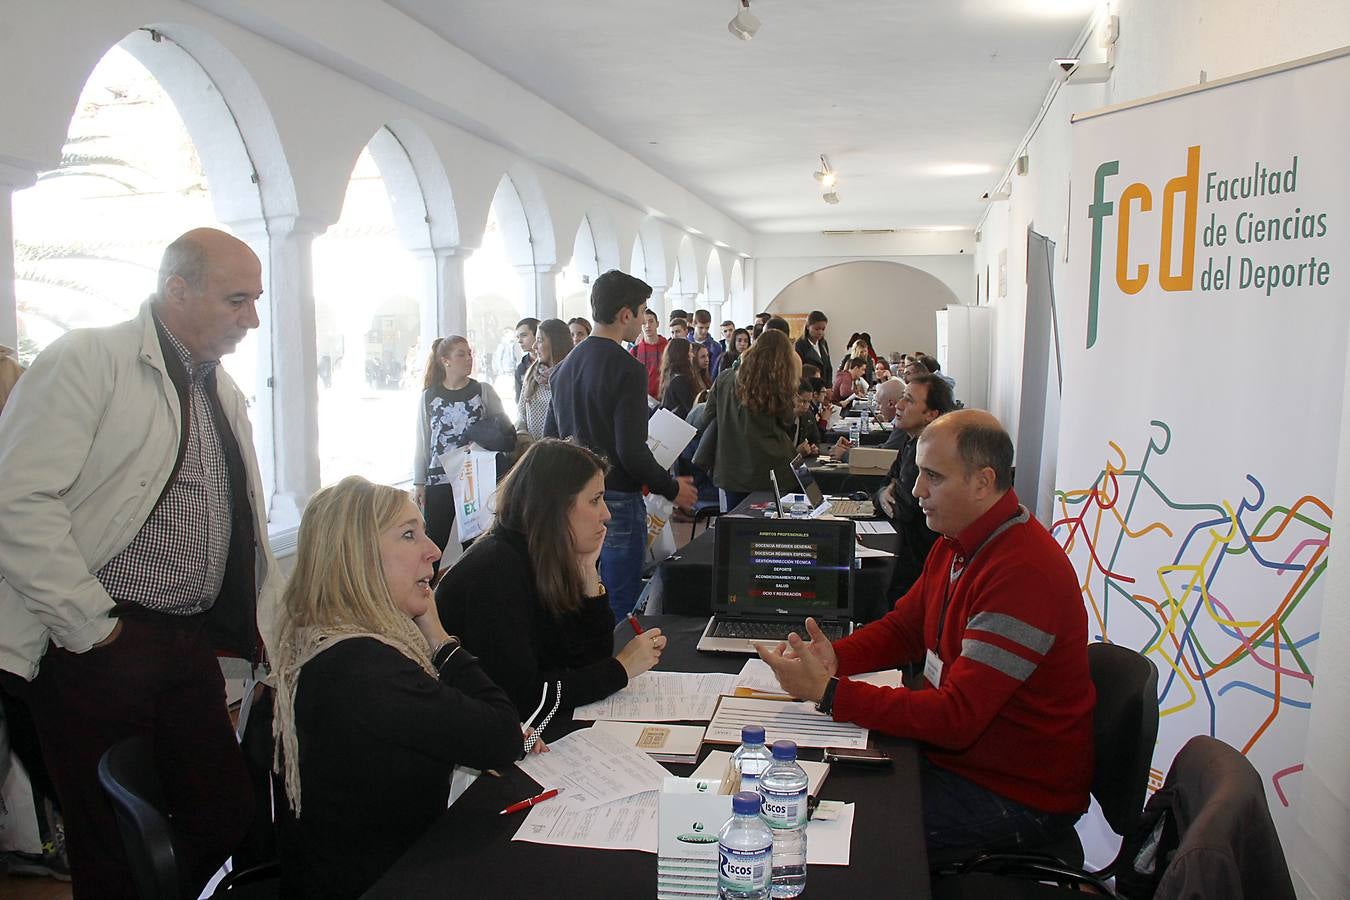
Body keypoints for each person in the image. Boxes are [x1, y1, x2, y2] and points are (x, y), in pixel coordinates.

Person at [0, 228, 277, 898]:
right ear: (177, 289)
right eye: (236, 300)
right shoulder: (88, 361)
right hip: (100, 644)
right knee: (113, 842)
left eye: (256, 300)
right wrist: (91, 627)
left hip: (184, 641)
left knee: (225, 811)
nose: (252, 319)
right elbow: (18, 499)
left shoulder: (219, 388)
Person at [755, 410, 1095, 855]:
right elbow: (906, 629)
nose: (916, 490)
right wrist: (835, 658)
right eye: (919, 473)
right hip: (960, 760)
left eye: (933, 476)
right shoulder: (957, 542)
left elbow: (956, 719)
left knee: (852, 835)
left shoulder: (1024, 575)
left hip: (1015, 794)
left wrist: (831, 693)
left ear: (983, 482)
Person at [272, 476, 525, 899]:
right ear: (358, 558)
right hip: (384, 882)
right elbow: (502, 737)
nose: (434, 550)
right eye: (409, 535)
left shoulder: (326, 639)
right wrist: (439, 637)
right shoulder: (365, 669)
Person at [436, 441, 668, 724]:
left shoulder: (543, 554)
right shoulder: (495, 572)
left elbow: (586, 661)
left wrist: (588, 573)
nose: (606, 514)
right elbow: (524, 697)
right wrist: (620, 669)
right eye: (595, 500)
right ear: (556, 507)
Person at [546, 270, 697, 620]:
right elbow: (630, 450)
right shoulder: (627, 368)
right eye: (642, 311)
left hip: (572, 498)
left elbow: (551, 440)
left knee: (580, 595)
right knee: (618, 601)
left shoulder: (563, 368)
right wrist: (671, 487)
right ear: (625, 314)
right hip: (614, 500)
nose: (644, 320)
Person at [414, 336, 516, 568]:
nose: (468, 359)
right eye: (461, 354)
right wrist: (419, 482)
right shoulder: (429, 397)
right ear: (445, 360)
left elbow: (504, 432)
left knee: (475, 543)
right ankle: (426, 587)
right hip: (439, 478)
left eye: (469, 353)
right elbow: (423, 441)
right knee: (433, 542)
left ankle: (475, 586)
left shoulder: (482, 391)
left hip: (475, 479)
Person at [694, 328, 801, 512]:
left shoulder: (725, 378)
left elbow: (707, 417)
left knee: (737, 521)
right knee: (770, 523)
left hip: (732, 467)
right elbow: (787, 421)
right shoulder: (779, 384)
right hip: (771, 467)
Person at [875, 374, 956, 593]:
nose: (899, 405)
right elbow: (885, 483)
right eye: (902, 397)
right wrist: (883, 493)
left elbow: (904, 508)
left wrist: (888, 493)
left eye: (909, 400)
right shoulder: (910, 441)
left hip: (920, 563)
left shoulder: (933, 453)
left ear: (931, 414)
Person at [517, 318, 571, 443]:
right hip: (532, 448)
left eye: (540, 340)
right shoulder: (533, 373)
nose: (534, 346)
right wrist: (524, 437)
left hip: (559, 450)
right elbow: (521, 415)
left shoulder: (570, 378)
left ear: (556, 343)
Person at [629, 307, 667, 399]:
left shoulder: (668, 347)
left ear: (657, 324)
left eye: (651, 321)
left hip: (665, 397)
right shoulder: (635, 351)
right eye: (644, 323)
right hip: (643, 398)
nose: (647, 326)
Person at [658, 337, 700, 420]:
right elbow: (691, 410)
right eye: (690, 351)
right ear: (682, 354)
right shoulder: (680, 381)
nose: (693, 355)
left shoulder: (670, 376)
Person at [794, 309, 832, 374]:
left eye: (823, 329)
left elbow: (828, 368)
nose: (820, 332)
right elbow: (799, 370)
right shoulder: (799, 345)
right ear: (808, 327)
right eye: (817, 329)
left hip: (824, 380)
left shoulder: (823, 343)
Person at [689, 309, 723, 376]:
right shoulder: (685, 344)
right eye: (701, 327)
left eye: (707, 328)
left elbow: (715, 372)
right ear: (693, 324)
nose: (704, 331)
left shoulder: (716, 347)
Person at [512, 317, 540, 399]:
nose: (519, 341)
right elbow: (519, 399)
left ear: (538, 335)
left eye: (524, 335)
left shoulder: (554, 363)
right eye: (518, 337)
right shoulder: (521, 368)